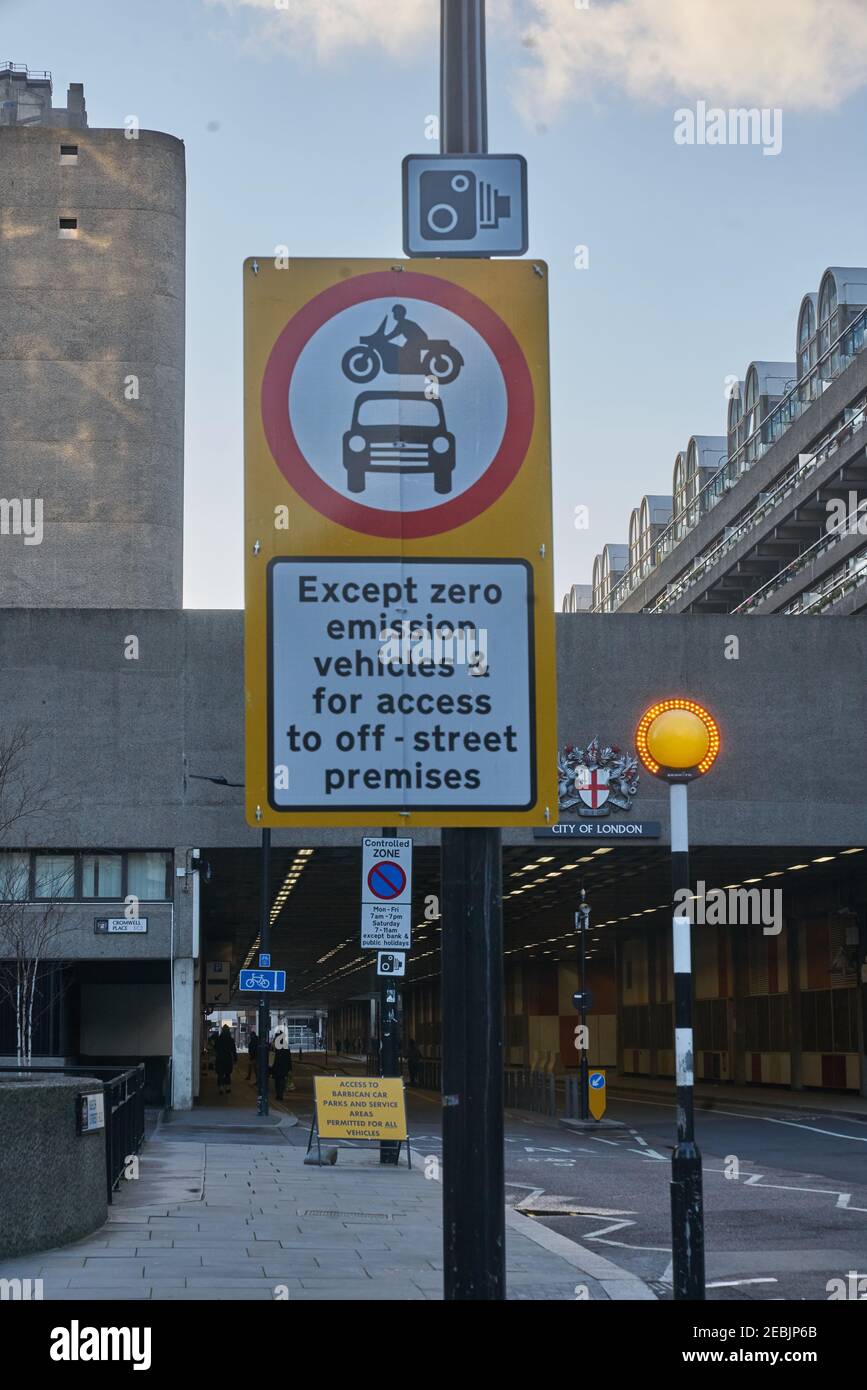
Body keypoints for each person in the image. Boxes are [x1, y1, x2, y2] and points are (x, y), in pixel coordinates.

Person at [271, 1031, 294, 1102]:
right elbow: (288, 1057)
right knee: (282, 1080)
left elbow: (271, 1055)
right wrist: (289, 1068)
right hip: (284, 1066)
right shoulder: (285, 1045)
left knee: (277, 1081)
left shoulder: (275, 1045)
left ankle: (278, 1094)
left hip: (277, 1065)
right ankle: (281, 1094)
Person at [214, 1024, 237, 1095]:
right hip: (228, 1058)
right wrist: (235, 1058)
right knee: (227, 1073)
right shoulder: (231, 1039)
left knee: (220, 1074)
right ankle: (227, 1088)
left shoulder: (219, 1039)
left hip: (220, 1058)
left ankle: (221, 1088)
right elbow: (233, 1050)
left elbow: (215, 1048)